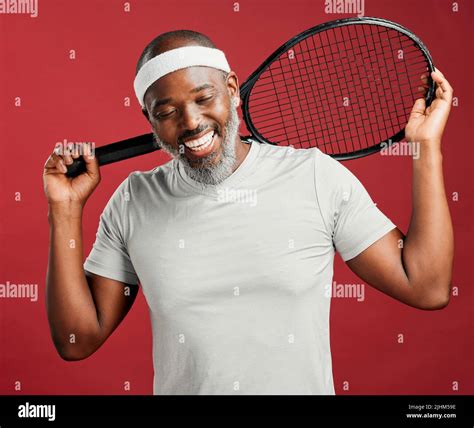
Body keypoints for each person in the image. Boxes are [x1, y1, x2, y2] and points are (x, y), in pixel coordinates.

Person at [43, 30, 454, 395]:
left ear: (233, 88)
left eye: (204, 98)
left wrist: (426, 148)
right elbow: (77, 341)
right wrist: (64, 209)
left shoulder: (313, 175)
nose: (191, 122)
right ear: (148, 119)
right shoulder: (135, 199)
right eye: (166, 112)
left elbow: (426, 287)